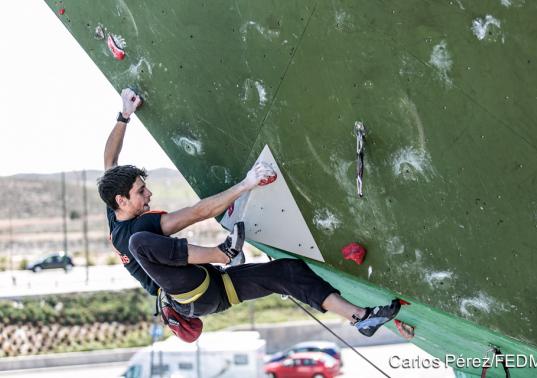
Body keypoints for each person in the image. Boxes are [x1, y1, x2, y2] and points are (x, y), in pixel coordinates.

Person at [98, 88, 401, 340]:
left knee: (288, 272)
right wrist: (247, 183)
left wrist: (124, 114)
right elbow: (198, 211)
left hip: (214, 289)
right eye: (141, 191)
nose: (148, 193)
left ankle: (361, 318)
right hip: (190, 296)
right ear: (122, 200)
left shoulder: (115, 210)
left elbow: (109, 159)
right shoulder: (143, 227)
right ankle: (223, 253)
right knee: (140, 242)